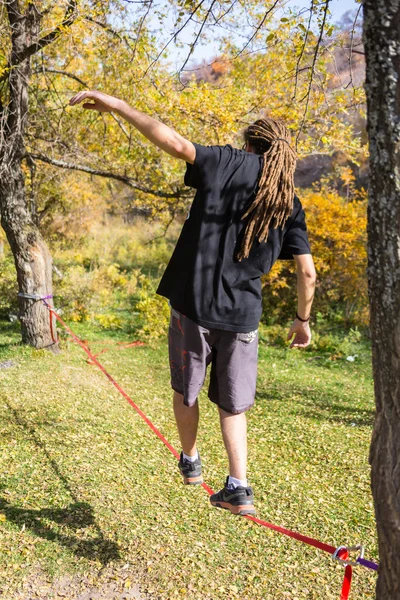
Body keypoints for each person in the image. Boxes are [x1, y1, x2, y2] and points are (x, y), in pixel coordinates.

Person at [70, 91, 316, 517]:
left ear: (249, 145)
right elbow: (307, 272)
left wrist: (119, 106)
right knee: (233, 402)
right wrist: (301, 321)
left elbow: (176, 143)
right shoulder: (287, 201)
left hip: (193, 304)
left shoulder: (226, 162)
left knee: (187, 388)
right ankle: (238, 485)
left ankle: (190, 461)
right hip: (242, 317)